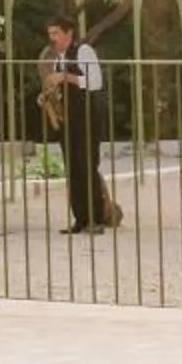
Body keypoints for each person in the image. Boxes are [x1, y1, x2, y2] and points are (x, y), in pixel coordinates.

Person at [45, 18, 110, 234]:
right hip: (68, 119)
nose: (52, 38)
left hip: (87, 116)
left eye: (56, 33)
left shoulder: (84, 51)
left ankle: (97, 218)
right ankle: (80, 218)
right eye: (50, 34)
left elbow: (95, 82)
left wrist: (65, 77)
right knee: (72, 168)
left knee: (87, 165)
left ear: (69, 33)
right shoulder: (58, 59)